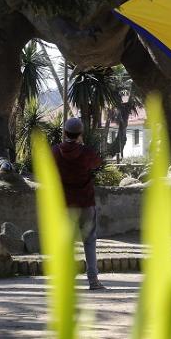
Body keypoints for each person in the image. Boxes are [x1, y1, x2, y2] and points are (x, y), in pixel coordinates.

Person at [51, 117, 105, 290]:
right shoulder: (86, 152)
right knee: (89, 241)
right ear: (80, 133)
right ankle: (93, 281)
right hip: (86, 202)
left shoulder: (55, 152)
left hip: (64, 204)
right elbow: (97, 163)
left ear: (64, 132)